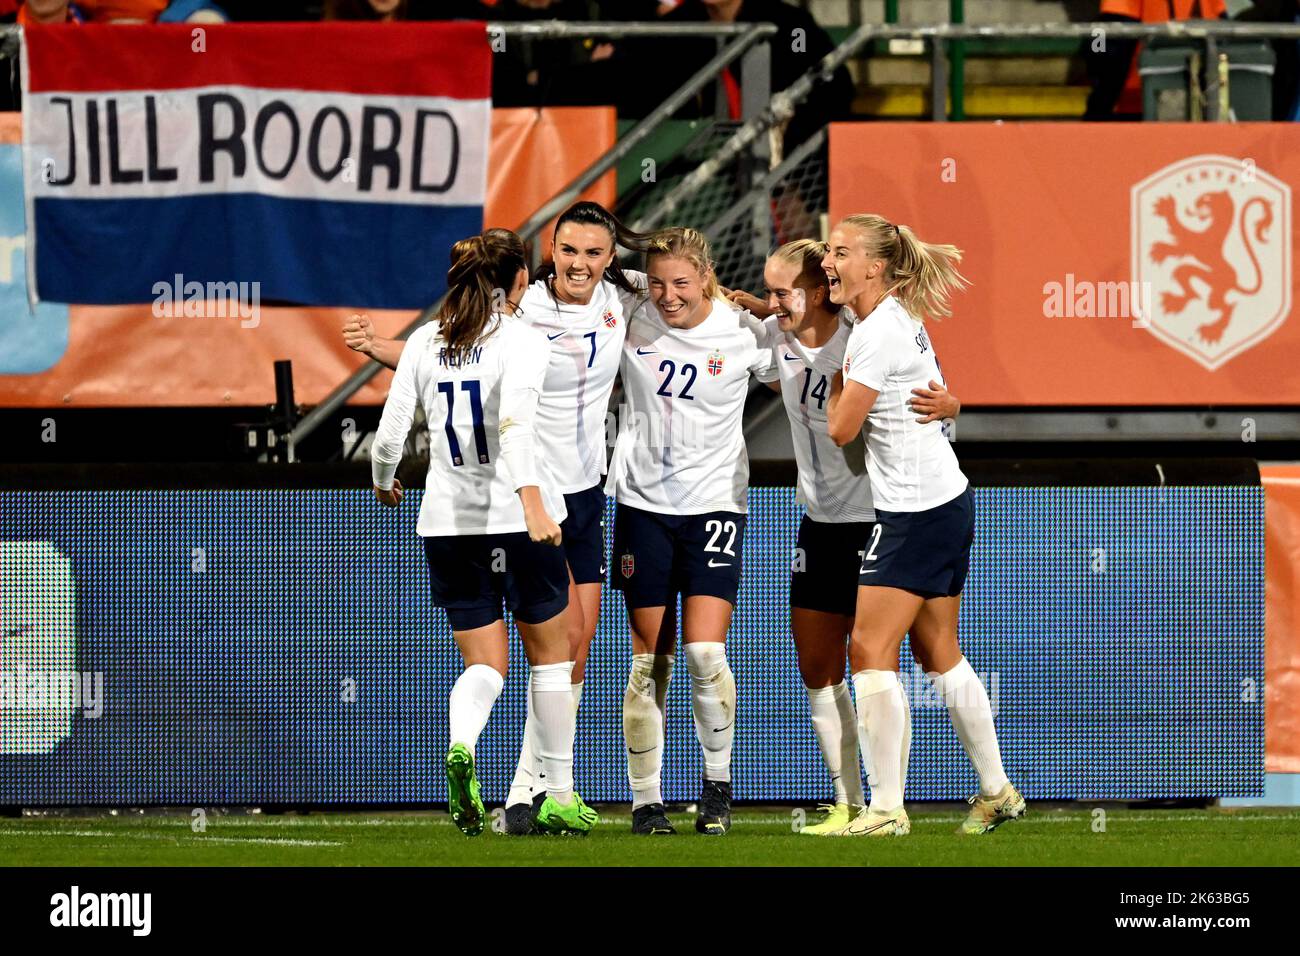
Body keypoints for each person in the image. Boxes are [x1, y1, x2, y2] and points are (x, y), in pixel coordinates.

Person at [348, 204, 648, 835]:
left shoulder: (625, 293)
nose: (581, 263)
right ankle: (540, 794)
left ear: (610, 258)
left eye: (595, 253)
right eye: (568, 251)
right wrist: (534, 499)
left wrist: (744, 303)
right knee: (553, 656)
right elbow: (512, 421)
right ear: (539, 262)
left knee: (544, 652)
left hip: (543, 499)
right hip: (531, 502)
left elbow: (405, 412)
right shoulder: (527, 320)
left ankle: (503, 778)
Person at [725, 240, 960, 835]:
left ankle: (897, 802)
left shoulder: (862, 337)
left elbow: (931, 398)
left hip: (876, 520)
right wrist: (760, 307)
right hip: (818, 525)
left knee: (895, 657)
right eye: (769, 291)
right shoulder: (774, 335)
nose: (772, 302)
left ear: (820, 292)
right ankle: (848, 802)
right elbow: (732, 309)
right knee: (817, 665)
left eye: (784, 292)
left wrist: (956, 403)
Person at [823, 214, 1023, 837]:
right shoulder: (895, 317)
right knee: (937, 652)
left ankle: (885, 809)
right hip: (944, 501)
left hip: (915, 513)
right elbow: (931, 394)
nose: (830, 262)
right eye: (829, 251)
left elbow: (840, 429)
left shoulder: (875, 332)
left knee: (867, 649)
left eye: (841, 251)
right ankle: (998, 792)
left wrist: (832, 377)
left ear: (875, 266)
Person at [606, 226, 772, 836]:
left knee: (706, 653)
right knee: (650, 663)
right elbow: (584, 273)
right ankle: (646, 803)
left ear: (706, 276)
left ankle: (717, 790)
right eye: (658, 282)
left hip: (714, 506)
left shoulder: (741, 330)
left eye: (681, 282)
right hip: (643, 506)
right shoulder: (632, 310)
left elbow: (801, 370)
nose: (669, 295)